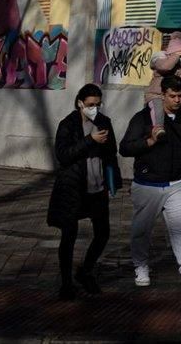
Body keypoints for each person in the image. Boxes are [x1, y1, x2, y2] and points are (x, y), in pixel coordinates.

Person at [121, 76, 181, 293]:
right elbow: (125, 148)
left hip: (178, 183)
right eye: (172, 96)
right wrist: (150, 141)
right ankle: (141, 267)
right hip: (148, 184)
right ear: (163, 95)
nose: (177, 100)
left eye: (180, 96)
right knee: (142, 230)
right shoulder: (143, 118)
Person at [48, 84, 121, 300]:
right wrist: (90, 140)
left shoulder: (103, 121)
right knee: (69, 234)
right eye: (90, 105)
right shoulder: (68, 124)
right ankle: (66, 283)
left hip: (97, 186)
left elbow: (112, 152)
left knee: (103, 232)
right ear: (80, 103)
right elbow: (63, 155)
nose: (94, 109)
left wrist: (113, 180)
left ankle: (86, 270)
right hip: (73, 187)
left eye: (98, 104)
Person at [144, 32, 181, 105]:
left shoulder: (180, 63)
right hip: (157, 98)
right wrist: (176, 55)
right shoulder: (160, 57)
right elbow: (165, 67)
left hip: (173, 99)